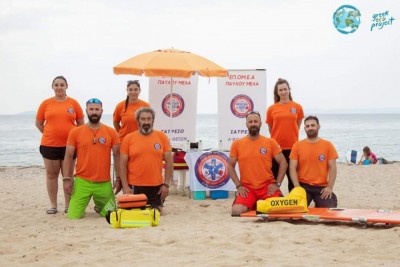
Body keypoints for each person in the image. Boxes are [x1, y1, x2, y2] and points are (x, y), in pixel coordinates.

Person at [63, 98, 121, 219]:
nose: (94, 112)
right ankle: (92, 204)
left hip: (104, 182)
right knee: (73, 216)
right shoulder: (75, 132)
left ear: (101, 111)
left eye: (97, 109)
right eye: (91, 109)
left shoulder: (111, 132)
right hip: (82, 181)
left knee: (111, 215)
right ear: (86, 111)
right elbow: (68, 156)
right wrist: (67, 179)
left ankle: (99, 205)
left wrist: (118, 179)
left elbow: (117, 156)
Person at [35, 76, 84, 215]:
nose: (59, 87)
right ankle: (53, 205)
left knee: (67, 175)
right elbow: (38, 123)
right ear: (53, 87)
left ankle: (68, 205)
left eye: (62, 85)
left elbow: (81, 124)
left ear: (66, 86)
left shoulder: (73, 103)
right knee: (51, 175)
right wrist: (49, 134)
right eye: (56, 85)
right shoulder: (46, 103)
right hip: (49, 145)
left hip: (69, 146)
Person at [228, 111, 288, 216]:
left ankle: (258, 204)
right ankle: (255, 203)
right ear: (246, 124)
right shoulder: (237, 144)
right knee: (236, 211)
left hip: (267, 187)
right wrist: (238, 186)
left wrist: (277, 184)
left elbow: (283, 162)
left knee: (278, 212)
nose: (253, 124)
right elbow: (230, 166)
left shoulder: (270, 142)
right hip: (248, 188)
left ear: (260, 123)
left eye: (256, 121)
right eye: (250, 122)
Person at [120, 107, 173, 212]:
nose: (146, 122)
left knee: (155, 213)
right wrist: (125, 186)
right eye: (143, 119)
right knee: (136, 213)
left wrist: (166, 185)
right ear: (138, 121)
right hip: (135, 186)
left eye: (149, 119)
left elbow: (169, 162)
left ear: (153, 120)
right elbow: (122, 165)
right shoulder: (128, 138)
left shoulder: (162, 137)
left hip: (156, 186)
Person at [289, 115, 338, 208]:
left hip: (321, 187)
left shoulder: (328, 145)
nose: (310, 128)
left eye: (313, 125)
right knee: (296, 208)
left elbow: (333, 168)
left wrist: (330, 187)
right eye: (307, 126)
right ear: (304, 128)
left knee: (329, 209)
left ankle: (320, 203)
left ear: (318, 126)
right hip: (303, 186)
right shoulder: (297, 145)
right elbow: (292, 167)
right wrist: (297, 186)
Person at [266, 78, 304, 193]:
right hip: (277, 149)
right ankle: (274, 197)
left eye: (285, 89)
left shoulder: (297, 107)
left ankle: (293, 199)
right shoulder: (272, 109)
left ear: (289, 90)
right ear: (277, 92)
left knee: (293, 179)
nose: (283, 92)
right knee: (274, 177)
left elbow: (297, 126)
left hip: (293, 148)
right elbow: (271, 129)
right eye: (280, 90)